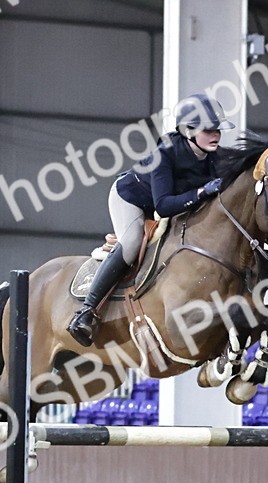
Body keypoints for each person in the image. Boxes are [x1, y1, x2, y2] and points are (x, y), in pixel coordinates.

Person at [66, 93, 234, 347]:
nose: (216, 135)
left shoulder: (216, 156)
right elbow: (163, 206)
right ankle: (86, 312)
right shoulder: (165, 153)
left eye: (218, 129)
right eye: (208, 129)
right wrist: (201, 193)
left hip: (171, 203)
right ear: (188, 130)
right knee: (132, 242)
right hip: (133, 200)